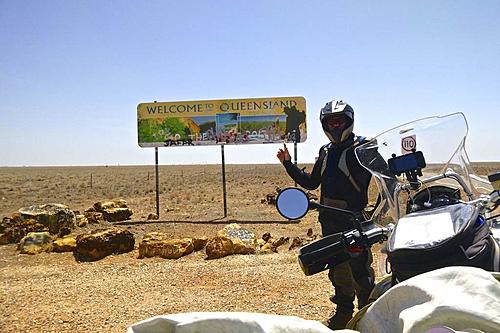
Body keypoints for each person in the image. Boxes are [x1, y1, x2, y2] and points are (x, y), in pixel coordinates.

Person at [277, 99, 375, 329]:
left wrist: (384, 207)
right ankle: (343, 314)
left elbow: (385, 177)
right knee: (337, 270)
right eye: (330, 122)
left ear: (348, 121)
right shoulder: (326, 151)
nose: (335, 126)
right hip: (329, 220)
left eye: (339, 121)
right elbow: (312, 183)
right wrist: (288, 164)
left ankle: (367, 317)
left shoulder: (363, 147)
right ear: (324, 125)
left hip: (354, 219)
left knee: (360, 271)